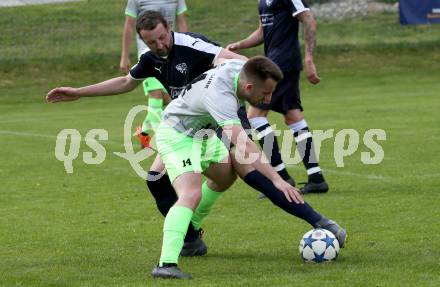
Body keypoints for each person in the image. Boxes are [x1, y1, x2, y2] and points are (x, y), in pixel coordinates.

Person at [46, 10, 247, 256]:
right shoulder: (150, 58)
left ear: (169, 27)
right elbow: (124, 83)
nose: (160, 45)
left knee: (227, 174)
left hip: (212, 122)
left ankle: (189, 233)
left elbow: (241, 63)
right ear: (144, 40)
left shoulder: (192, 45)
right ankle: (191, 237)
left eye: (163, 37)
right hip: (183, 128)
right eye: (152, 42)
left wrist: (232, 83)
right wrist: (79, 92)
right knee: (161, 179)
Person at [149, 56, 346, 279]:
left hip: (204, 135)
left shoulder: (240, 69)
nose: (269, 99)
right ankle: (166, 264)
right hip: (177, 135)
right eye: (265, 94)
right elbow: (244, 143)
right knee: (190, 193)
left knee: (225, 177)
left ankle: (190, 230)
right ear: (249, 87)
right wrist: (277, 178)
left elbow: (223, 58)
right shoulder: (220, 97)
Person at [227, 0, 329, 194]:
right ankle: (316, 178)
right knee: (292, 116)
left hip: (281, 63)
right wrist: (240, 44)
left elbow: (309, 20)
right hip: (278, 61)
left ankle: (282, 177)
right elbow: (262, 31)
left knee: (255, 116)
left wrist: (309, 58)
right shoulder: (263, 2)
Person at [119, 0, 189, 148]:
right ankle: (163, 142)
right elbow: (129, 25)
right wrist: (124, 56)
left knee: (169, 100)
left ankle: (143, 131)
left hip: (171, 53)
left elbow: (182, 21)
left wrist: (184, 49)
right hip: (148, 56)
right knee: (156, 95)